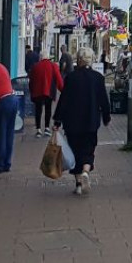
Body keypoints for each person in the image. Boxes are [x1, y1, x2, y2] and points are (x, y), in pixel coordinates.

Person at [53, 46, 111, 196]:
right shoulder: (98, 78)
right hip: (91, 122)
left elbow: (63, 101)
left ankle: (78, 184)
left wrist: (57, 120)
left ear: (78, 60)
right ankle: (86, 171)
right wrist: (106, 117)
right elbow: (104, 100)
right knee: (88, 149)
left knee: (75, 152)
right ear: (91, 60)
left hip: (72, 123)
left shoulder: (71, 78)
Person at [29, 51, 64, 137]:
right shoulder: (53, 66)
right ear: (48, 57)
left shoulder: (35, 66)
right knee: (48, 109)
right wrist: (63, 90)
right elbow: (58, 79)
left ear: (40, 57)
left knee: (38, 110)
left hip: (37, 91)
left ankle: (38, 129)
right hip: (49, 91)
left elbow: (31, 80)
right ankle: (47, 128)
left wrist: (31, 91)